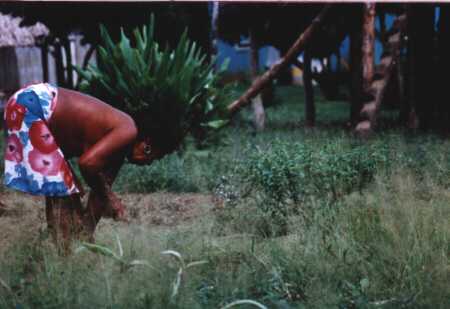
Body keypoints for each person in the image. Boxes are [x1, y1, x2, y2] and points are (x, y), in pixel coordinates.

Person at [4, 82, 163, 247]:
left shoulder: (118, 153)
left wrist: (86, 232)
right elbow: (87, 164)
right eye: (155, 157)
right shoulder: (128, 130)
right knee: (62, 192)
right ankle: (64, 263)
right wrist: (110, 197)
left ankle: (67, 257)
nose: (150, 164)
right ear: (147, 145)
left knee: (66, 191)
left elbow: (100, 192)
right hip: (31, 105)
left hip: (34, 106)